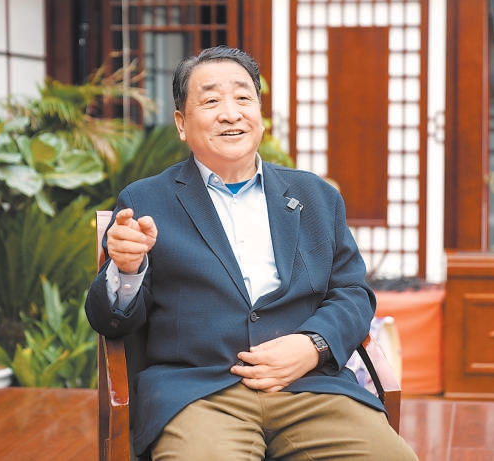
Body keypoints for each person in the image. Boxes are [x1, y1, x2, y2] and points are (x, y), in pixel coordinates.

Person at [85, 45, 418, 461]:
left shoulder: (315, 197)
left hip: (310, 388)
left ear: (259, 114)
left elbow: (352, 294)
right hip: (200, 395)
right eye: (211, 101)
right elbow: (108, 320)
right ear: (181, 123)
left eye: (243, 98)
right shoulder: (145, 201)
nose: (230, 113)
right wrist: (126, 269)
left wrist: (312, 345)